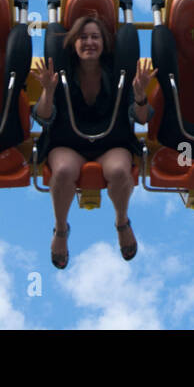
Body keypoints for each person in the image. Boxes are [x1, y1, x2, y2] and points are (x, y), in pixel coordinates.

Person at [32, 14, 155, 268]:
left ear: (104, 43)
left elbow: (142, 118)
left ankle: (122, 222)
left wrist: (140, 95)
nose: (89, 42)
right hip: (68, 142)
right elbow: (43, 117)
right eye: (83, 37)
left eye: (95, 37)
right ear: (74, 43)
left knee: (119, 171)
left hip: (110, 142)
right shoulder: (60, 73)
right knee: (63, 171)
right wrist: (48, 90)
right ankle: (60, 230)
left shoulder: (119, 73)